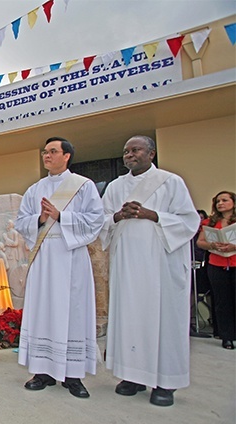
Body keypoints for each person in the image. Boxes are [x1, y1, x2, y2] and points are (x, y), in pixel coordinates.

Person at [100, 135, 199, 407]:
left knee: (163, 319)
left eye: (136, 150)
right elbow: (102, 220)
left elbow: (190, 221)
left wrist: (152, 215)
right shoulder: (116, 186)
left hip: (160, 266)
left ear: (151, 153)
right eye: (126, 151)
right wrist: (119, 216)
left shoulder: (170, 182)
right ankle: (132, 376)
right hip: (127, 264)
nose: (129, 154)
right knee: (130, 317)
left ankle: (165, 381)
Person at [14, 137, 103, 399]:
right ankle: (43, 371)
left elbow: (95, 219)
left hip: (71, 255)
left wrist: (61, 216)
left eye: (53, 151)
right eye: (45, 152)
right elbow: (21, 222)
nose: (47, 156)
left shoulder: (83, 186)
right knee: (43, 308)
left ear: (67, 156)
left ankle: (73, 375)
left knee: (72, 310)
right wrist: (40, 219)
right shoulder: (35, 189)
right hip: (44, 255)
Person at [196, 191, 236, 349]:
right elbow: (200, 242)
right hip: (216, 264)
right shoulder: (209, 222)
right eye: (218, 201)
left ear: (233, 202)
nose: (221, 203)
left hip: (234, 262)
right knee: (221, 300)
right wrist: (211, 245)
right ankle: (227, 336)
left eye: (225, 200)